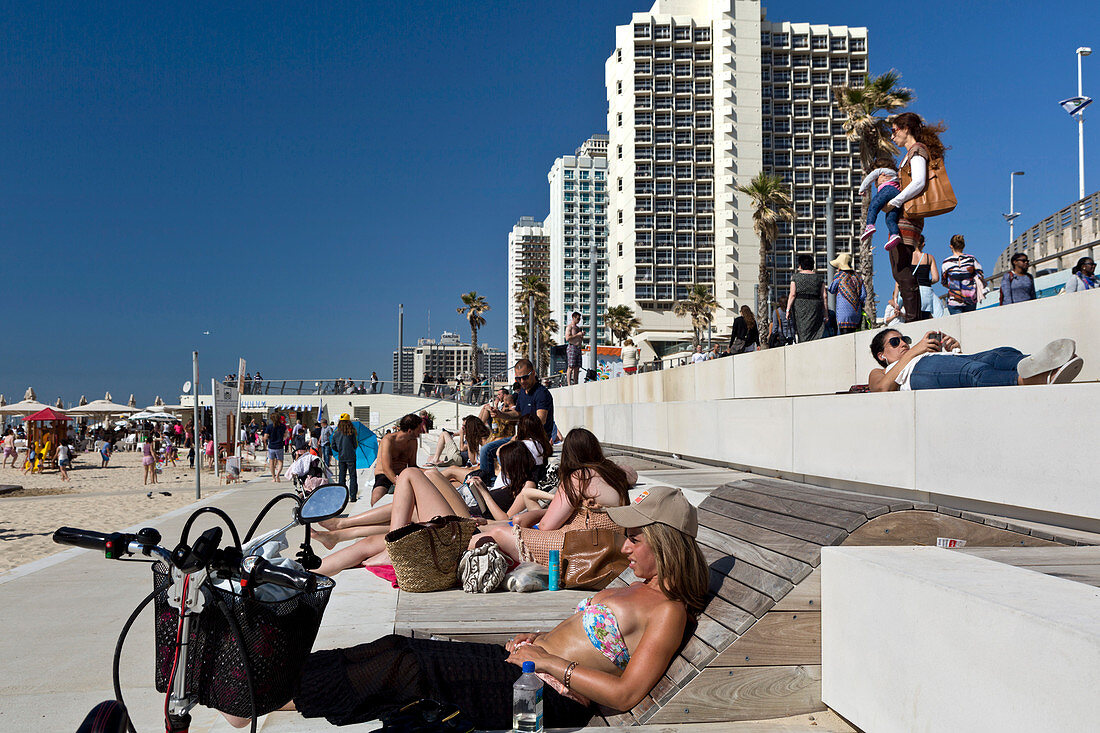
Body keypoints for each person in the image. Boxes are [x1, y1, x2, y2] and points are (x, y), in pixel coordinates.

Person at [221, 486, 710, 731]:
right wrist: (534, 644)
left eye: (635, 538)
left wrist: (547, 661)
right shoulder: (637, 583)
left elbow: (625, 694)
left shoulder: (668, 610)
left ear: (666, 543)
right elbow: (582, 635)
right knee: (398, 653)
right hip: (527, 668)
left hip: (550, 701)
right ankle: (261, 690)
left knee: (404, 669)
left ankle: (258, 695)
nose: (625, 547)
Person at [472, 427, 636, 566]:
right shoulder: (615, 476)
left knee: (499, 533)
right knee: (501, 529)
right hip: (608, 544)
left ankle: (454, 554)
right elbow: (632, 473)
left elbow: (546, 526)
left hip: (579, 546)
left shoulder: (580, 477)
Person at [880, 112, 948, 323]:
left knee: (901, 269)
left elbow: (918, 182)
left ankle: (913, 318)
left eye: (894, 131)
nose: (892, 137)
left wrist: (895, 201)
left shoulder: (917, 151)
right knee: (899, 268)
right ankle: (913, 316)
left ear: (905, 129)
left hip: (907, 218)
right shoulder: (910, 153)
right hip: (903, 217)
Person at [867, 329, 1083, 391]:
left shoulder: (915, 353)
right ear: (881, 355)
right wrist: (915, 351)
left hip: (932, 363)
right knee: (975, 372)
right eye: (895, 342)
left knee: (998, 354)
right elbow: (882, 389)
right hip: (916, 373)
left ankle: (1050, 362)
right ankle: (1040, 379)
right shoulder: (880, 372)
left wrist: (952, 349)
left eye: (905, 339)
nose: (903, 344)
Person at [479, 359, 553, 486]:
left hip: (536, 440)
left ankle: (511, 485)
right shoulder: (522, 394)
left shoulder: (542, 394)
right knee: (486, 450)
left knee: (503, 452)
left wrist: (516, 438)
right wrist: (500, 414)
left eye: (525, 377)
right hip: (523, 437)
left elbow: (540, 420)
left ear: (533, 373)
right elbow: (517, 414)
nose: (522, 382)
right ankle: (489, 483)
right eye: (518, 379)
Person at [370, 413, 427, 505]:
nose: (421, 431)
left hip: (402, 474)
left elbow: (413, 465)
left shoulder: (413, 442)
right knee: (376, 499)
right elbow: (386, 468)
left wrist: (428, 471)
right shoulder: (388, 440)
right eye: (418, 429)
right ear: (409, 431)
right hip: (384, 475)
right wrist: (398, 483)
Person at [858, 157, 903, 250]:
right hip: (897, 194)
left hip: (887, 190)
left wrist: (862, 189)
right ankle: (894, 234)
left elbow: (869, 178)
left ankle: (870, 225)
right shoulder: (895, 175)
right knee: (890, 218)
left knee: (874, 206)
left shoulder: (881, 170)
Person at [787, 254, 827, 342]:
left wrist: (788, 309)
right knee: (815, 331)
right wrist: (826, 313)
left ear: (800, 265)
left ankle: (803, 345)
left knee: (802, 331)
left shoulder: (795, 277)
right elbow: (824, 296)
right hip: (815, 305)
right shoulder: (819, 278)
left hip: (800, 306)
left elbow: (792, 294)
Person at [941, 234, 985, 314]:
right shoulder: (971, 259)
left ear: (951, 246)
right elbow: (981, 275)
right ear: (963, 246)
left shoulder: (946, 262)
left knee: (956, 325)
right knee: (969, 325)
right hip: (970, 298)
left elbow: (943, 282)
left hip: (954, 299)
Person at [827, 253, 868, 334]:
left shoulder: (839, 275)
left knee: (844, 335)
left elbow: (831, 289)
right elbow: (863, 295)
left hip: (843, 313)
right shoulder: (857, 276)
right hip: (856, 312)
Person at [910, 235, 944, 319]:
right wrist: (928, 282)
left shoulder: (908, 257)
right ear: (923, 244)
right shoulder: (929, 258)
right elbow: (936, 278)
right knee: (925, 316)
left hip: (911, 290)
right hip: (926, 290)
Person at [332, 413, 360, 503]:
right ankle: (353, 497)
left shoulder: (336, 433)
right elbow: (355, 445)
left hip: (341, 457)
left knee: (342, 477)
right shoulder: (351, 432)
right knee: (353, 477)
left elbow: (333, 446)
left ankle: (342, 497)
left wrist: (339, 450)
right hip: (351, 457)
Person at [264, 415, 287, 483]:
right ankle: (278, 475)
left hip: (271, 446)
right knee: (280, 462)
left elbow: (265, 437)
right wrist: (282, 438)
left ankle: (273, 477)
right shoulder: (283, 426)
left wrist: (267, 439)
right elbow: (286, 435)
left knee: (271, 462)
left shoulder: (269, 427)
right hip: (279, 446)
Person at [565, 312, 585, 386]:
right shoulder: (569, 327)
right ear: (573, 318)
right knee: (571, 366)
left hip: (578, 348)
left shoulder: (578, 328)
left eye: (580, 319)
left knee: (577, 367)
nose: (579, 320)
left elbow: (578, 338)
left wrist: (581, 336)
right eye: (578, 318)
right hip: (572, 347)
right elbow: (567, 338)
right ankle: (569, 384)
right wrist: (577, 335)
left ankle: (576, 383)